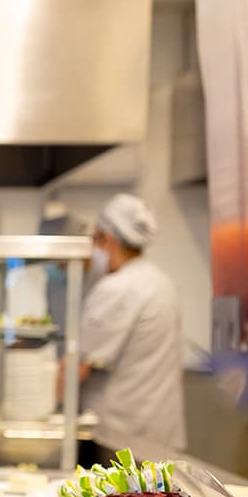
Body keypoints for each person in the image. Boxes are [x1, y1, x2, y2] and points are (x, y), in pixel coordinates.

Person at [71, 193, 187, 451]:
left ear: (107, 240)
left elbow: (79, 366)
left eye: (94, 240)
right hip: (156, 431)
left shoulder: (116, 288)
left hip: (120, 437)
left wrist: (46, 409)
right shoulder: (159, 280)